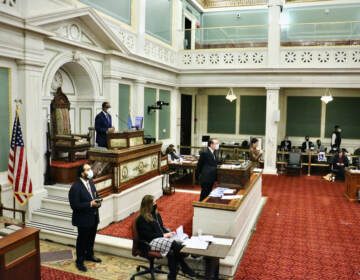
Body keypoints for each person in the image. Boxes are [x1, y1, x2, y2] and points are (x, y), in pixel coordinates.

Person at [136, 195, 195, 280]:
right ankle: (184, 265)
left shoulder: (155, 215)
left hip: (160, 238)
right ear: (148, 205)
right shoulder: (141, 219)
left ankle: (172, 276)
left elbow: (161, 227)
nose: (155, 204)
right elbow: (148, 235)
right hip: (149, 242)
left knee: (173, 249)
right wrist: (163, 235)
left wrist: (168, 233)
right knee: (173, 244)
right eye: (153, 203)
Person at [68, 163, 102, 272]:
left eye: (90, 169)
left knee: (91, 239)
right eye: (88, 170)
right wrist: (90, 204)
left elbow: (95, 196)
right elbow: (74, 206)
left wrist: (98, 201)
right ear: (82, 173)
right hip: (83, 219)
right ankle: (80, 261)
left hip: (93, 217)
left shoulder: (90, 183)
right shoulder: (75, 187)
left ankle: (89, 255)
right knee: (82, 241)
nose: (90, 171)